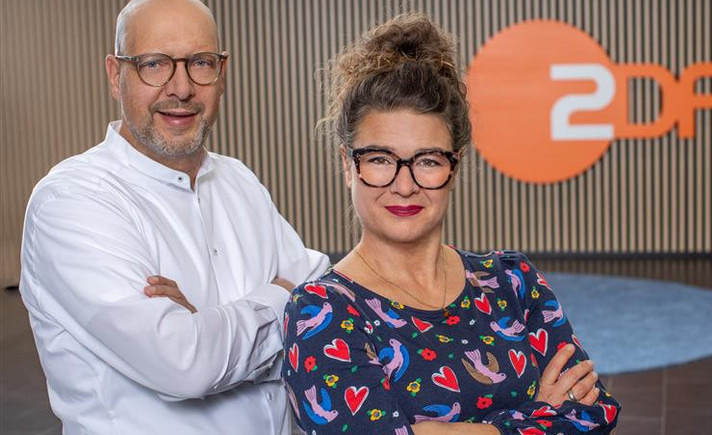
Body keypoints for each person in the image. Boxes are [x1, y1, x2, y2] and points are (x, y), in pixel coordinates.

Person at [282, 13, 620, 435]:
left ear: (454, 167)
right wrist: (536, 414)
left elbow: (594, 414)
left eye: (428, 161)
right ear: (348, 165)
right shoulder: (323, 311)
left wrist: (440, 430)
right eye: (380, 159)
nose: (404, 185)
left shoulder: (512, 282)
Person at [18, 0, 328, 433]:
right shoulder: (71, 200)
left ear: (222, 73)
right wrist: (282, 297)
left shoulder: (239, 179)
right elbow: (187, 365)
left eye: (200, 63)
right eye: (154, 64)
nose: (181, 88)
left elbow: (323, 308)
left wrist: (208, 325)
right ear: (115, 75)